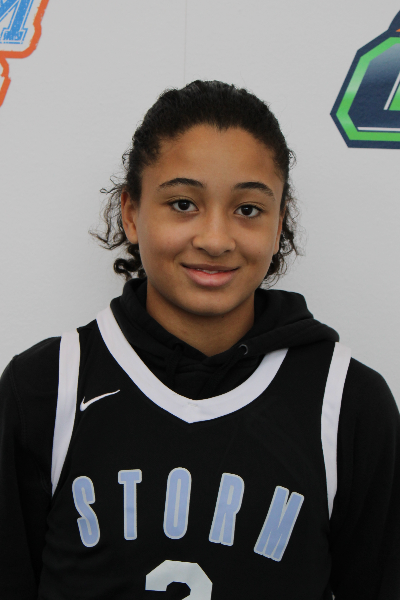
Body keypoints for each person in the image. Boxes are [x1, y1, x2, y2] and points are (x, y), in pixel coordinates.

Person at [0, 80, 399, 600]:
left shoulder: (348, 404)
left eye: (248, 209)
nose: (215, 239)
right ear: (130, 213)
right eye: (183, 203)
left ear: (279, 222)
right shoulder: (44, 389)